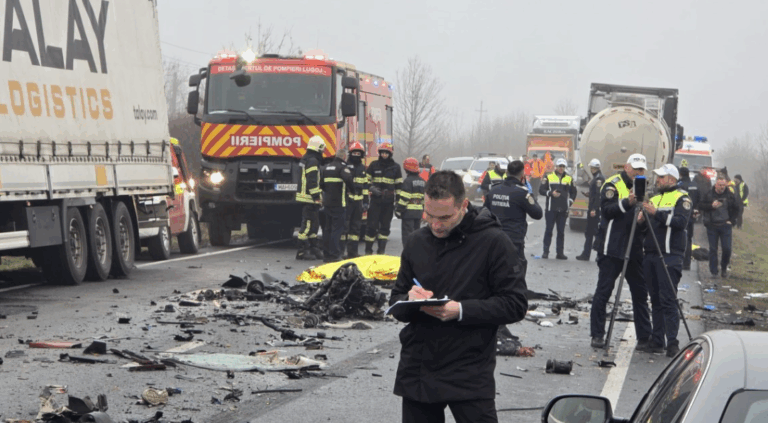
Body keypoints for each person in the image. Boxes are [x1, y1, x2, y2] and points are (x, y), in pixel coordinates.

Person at [389, 170, 528, 423]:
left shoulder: (494, 242)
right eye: (429, 215)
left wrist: (461, 310)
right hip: (419, 367)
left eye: (444, 217)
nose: (436, 225)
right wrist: (409, 299)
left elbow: (515, 304)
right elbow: (395, 303)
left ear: (463, 205)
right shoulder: (416, 242)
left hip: (469, 370)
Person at [589, 153, 652, 350]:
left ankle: (644, 337)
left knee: (640, 293)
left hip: (634, 247)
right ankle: (597, 335)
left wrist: (642, 221)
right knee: (604, 292)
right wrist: (628, 202)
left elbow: (644, 223)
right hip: (612, 247)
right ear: (626, 167)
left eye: (641, 170)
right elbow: (607, 210)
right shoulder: (612, 184)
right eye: (635, 169)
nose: (638, 173)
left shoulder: (644, 187)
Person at [637, 164, 691, 357]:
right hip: (651, 254)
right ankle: (657, 340)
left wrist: (655, 213)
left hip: (670, 255)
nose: (657, 180)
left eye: (661, 177)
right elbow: (649, 228)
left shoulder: (682, 198)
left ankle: (673, 343)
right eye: (657, 177)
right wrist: (642, 221)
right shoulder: (654, 198)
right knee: (656, 300)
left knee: (668, 299)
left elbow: (680, 223)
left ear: (671, 179)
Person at [484, 160, 543, 277]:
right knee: (516, 272)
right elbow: (537, 214)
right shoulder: (522, 193)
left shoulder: (494, 190)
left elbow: (484, 212)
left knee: (495, 270)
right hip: (513, 241)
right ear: (522, 175)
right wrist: (530, 194)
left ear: (507, 172)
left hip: (493, 239)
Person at [698, 175, 741, 278]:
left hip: (725, 225)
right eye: (719, 185)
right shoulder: (709, 194)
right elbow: (700, 205)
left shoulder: (730, 195)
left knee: (727, 249)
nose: (722, 187)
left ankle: (724, 268)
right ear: (715, 184)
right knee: (713, 249)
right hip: (712, 225)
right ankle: (713, 270)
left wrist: (731, 221)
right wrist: (711, 206)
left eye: (723, 185)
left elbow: (737, 209)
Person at [365, 142, 402, 255]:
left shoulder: (396, 167)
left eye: (386, 153)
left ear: (390, 154)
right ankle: (368, 250)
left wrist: (397, 202)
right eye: (382, 153)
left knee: (385, 227)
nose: (384, 155)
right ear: (379, 153)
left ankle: (381, 251)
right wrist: (371, 188)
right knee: (372, 226)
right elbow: (365, 180)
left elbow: (399, 186)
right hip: (376, 201)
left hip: (388, 201)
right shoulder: (373, 165)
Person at [320, 149, 354, 262]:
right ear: (344, 157)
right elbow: (349, 180)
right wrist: (352, 191)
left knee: (327, 229)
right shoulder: (343, 168)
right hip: (340, 203)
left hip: (327, 203)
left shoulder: (326, 167)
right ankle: (335, 255)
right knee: (337, 229)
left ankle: (326, 254)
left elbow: (321, 185)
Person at [539, 158, 576, 259]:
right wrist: (550, 193)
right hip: (551, 209)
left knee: (561, 232)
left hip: (563, 209)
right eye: (560, 166)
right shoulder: (548, 176)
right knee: (549, 231)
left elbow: (574, 192)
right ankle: (545, 251)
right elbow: (541, 190)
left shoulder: (569, 178)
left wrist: (570, 201)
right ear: (556, 166)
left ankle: (560, 253)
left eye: (563, 166)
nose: (561, 168)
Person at [295, 135, 325, 260]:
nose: (322, 152)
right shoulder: (313, 161)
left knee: (314, 224)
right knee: (307, 225)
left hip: (306, 197)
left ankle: (314, 249)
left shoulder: (306, 159)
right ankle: (301, 251)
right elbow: (312, 181)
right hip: (309, 197)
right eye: (322, 149)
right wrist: (317, 196)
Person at [342, 142, 368, 258]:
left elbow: (366, 186)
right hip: (347, 201)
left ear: (362, 155)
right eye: (354, 153)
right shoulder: (346, 165)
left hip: (358, 203)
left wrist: (366, 202)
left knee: (356, 228)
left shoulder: (363, 169)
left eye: (358, 153)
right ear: (350, 153)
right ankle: (341, 252)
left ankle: (353, 252)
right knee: (344, 227)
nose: (356, 155)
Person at [576, 158, 604, 261]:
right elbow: (595, 194)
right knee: (589, 232)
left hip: (594, 210)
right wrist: (589, 194)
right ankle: (586, 254)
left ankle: (596, 255)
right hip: (593, 208)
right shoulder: (596, 177)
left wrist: (594, 209)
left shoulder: (598, 179)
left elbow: (598, 195)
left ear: (593, 168)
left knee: (594, 233)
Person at [397, 157, 426, 242]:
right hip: (418, 213)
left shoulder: (407, 181)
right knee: (416, 234)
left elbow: (404, 197)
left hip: (408, 213)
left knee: (407, 235)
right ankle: (415, 253)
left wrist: (399, 210)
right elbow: (424, 198)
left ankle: (407, 253)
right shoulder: (422, 181)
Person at [676, 167, 699, 270]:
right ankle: (687, 263)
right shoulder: (694, 185)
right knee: (689, 239)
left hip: (681, 215)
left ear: (680, 174)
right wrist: (695, 209)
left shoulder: (680, 185)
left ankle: (679, 261)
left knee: (679, 238)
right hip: (691, 216)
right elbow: (699, 198)